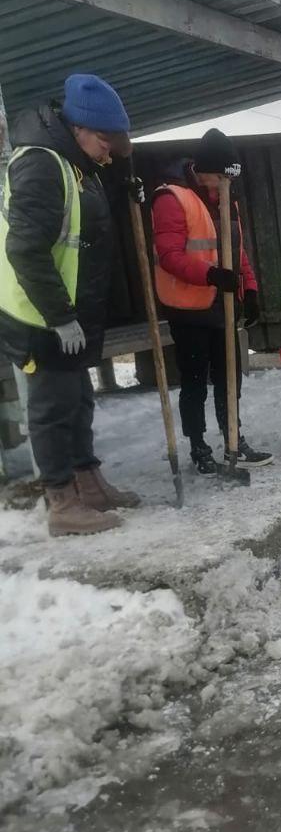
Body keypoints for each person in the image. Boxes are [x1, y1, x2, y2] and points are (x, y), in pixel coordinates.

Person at [0, 73, 140, 536]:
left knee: (78, 400)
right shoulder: (41, 165)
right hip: (38, 313)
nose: (108, 151)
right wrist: (60, 316)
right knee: (52, 406)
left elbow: (80, 222)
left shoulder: (74, 162)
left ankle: (89, 482)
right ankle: (60, 501)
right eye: (104, 141)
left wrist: (122, 185)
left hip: (66, 311)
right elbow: (25, 249)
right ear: (80, 128)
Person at [151, 129, 272, 474]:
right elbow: (170, 256)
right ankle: (198, 447)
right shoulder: (171, 198)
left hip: (222, 305)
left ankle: (233, 438)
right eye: (221, 178)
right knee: (194, 381)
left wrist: (249, 289)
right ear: (205, 171)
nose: (225, 186)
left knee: (229, 375)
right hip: (187, 307)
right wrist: (211, 275)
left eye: (228, 180)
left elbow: (236, 251)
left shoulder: (225, 198)